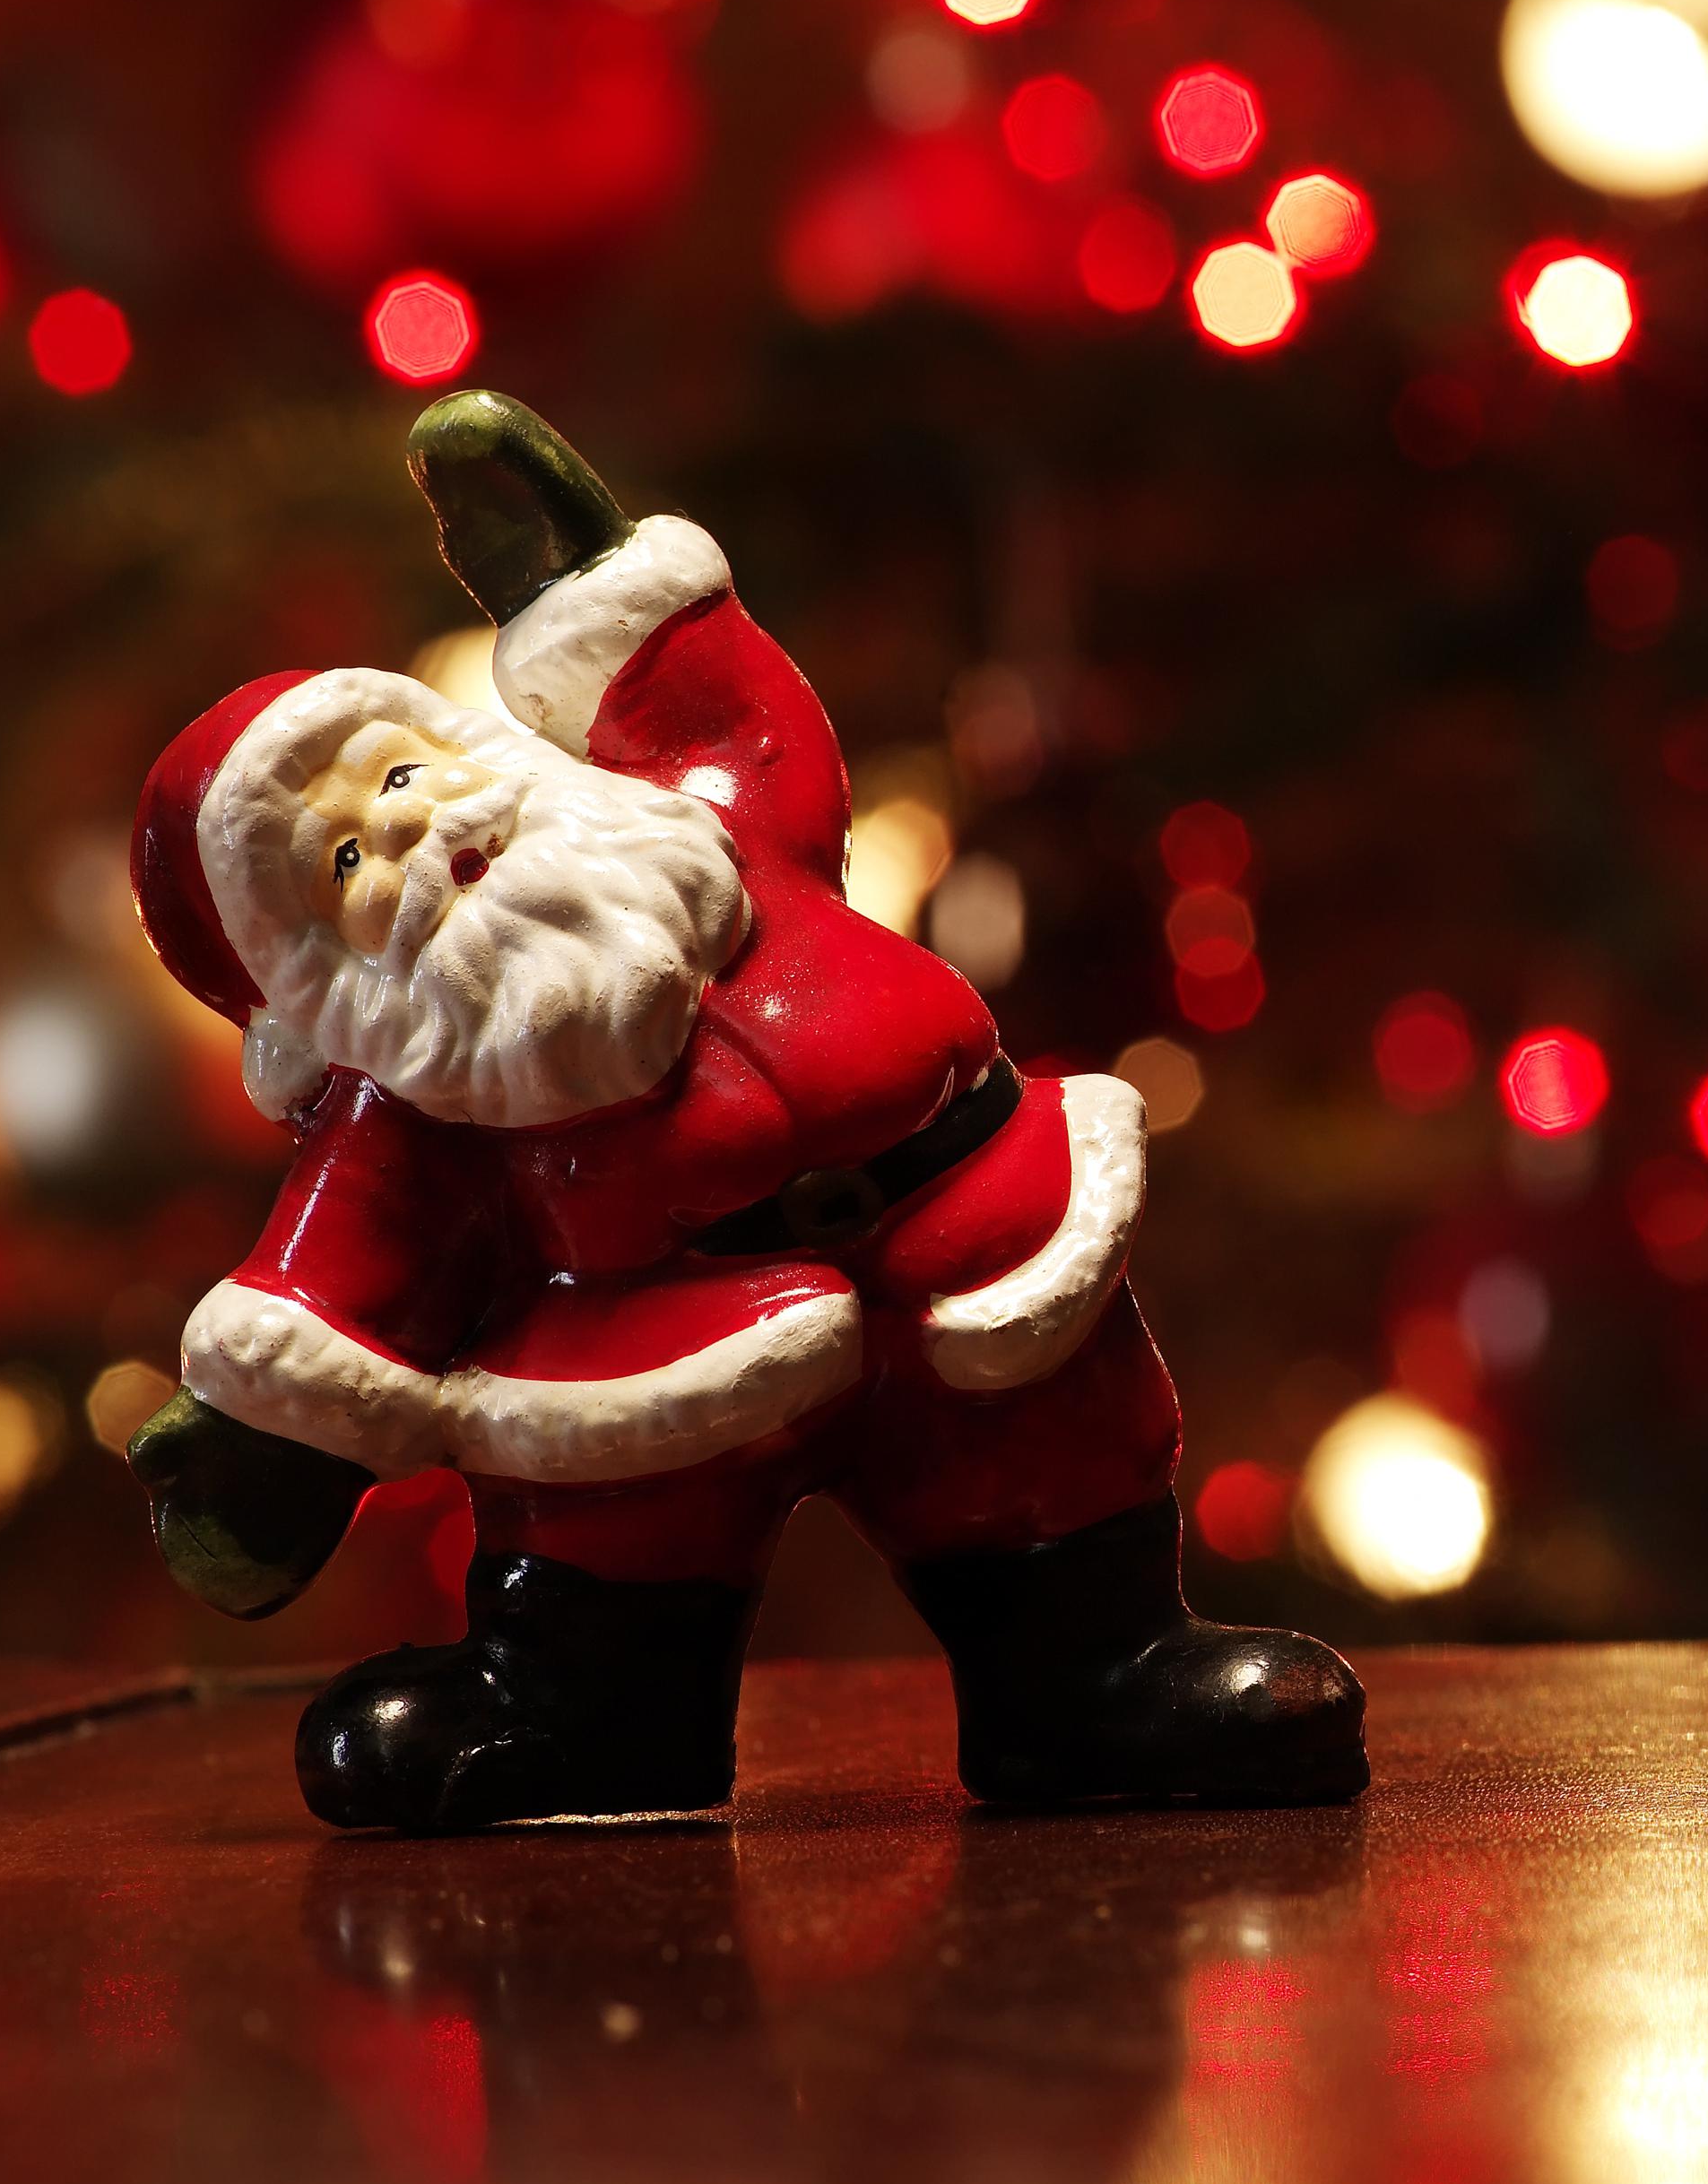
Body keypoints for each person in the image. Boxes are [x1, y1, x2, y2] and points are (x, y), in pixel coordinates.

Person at [123, 391, 1363, 1833]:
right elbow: (335, 1282)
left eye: (400, 774)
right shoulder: (419, 1099)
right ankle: (585, 1725)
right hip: (661, 1359)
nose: (406, 828)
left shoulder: (701, 823)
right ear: (306, 986)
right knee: (615, 1544)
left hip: (967, 1236)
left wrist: (578, 578)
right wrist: (260, 1452)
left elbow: (716, 704)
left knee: (1055, 1468)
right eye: (342, 854)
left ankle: (1098, 1682)